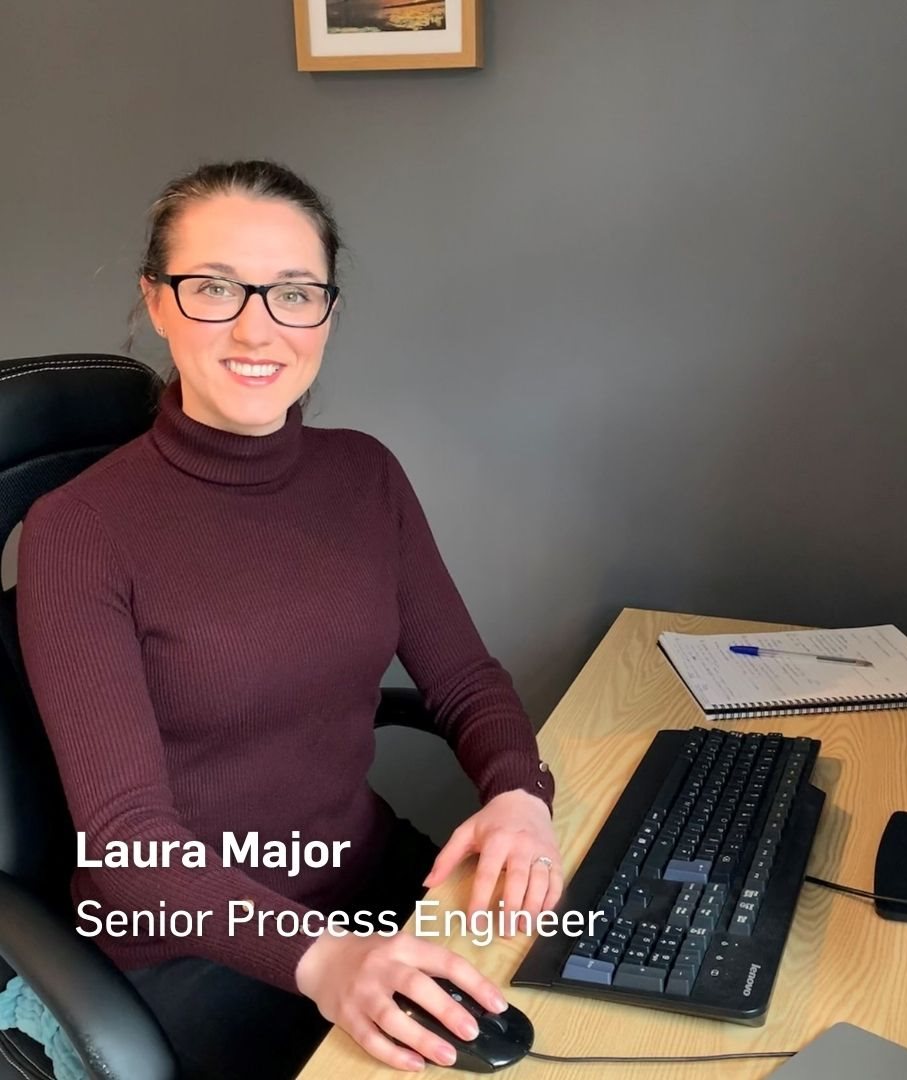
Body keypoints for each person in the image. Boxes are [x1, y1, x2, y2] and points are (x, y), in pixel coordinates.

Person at [15, 160, 562, 1079]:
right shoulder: (77, 531)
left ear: (328, 313)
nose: (257, 325)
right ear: (156, 302)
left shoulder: (365, 475)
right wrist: (325, 960)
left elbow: (465, 678)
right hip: (190, 944)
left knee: (596, 1005)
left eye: (294, 292)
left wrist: (517, 791)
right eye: (216, 287)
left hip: (374, 884)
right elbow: (128, 841)